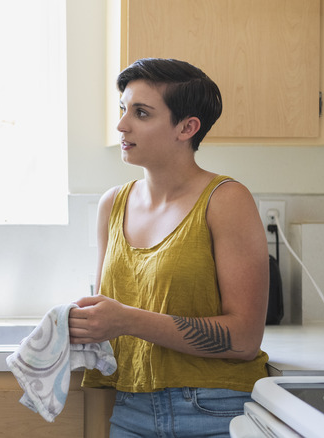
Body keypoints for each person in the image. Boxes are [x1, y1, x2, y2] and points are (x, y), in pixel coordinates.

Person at [68, 58, 269, 437]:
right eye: (123, 109)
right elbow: (108, 319)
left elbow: (244, 339)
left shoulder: (226, 200)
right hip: (130, 408)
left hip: (214, 410)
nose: (122, 124)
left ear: (187, 127)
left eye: (141, 112)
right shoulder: (113, 204)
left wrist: (126, 319)